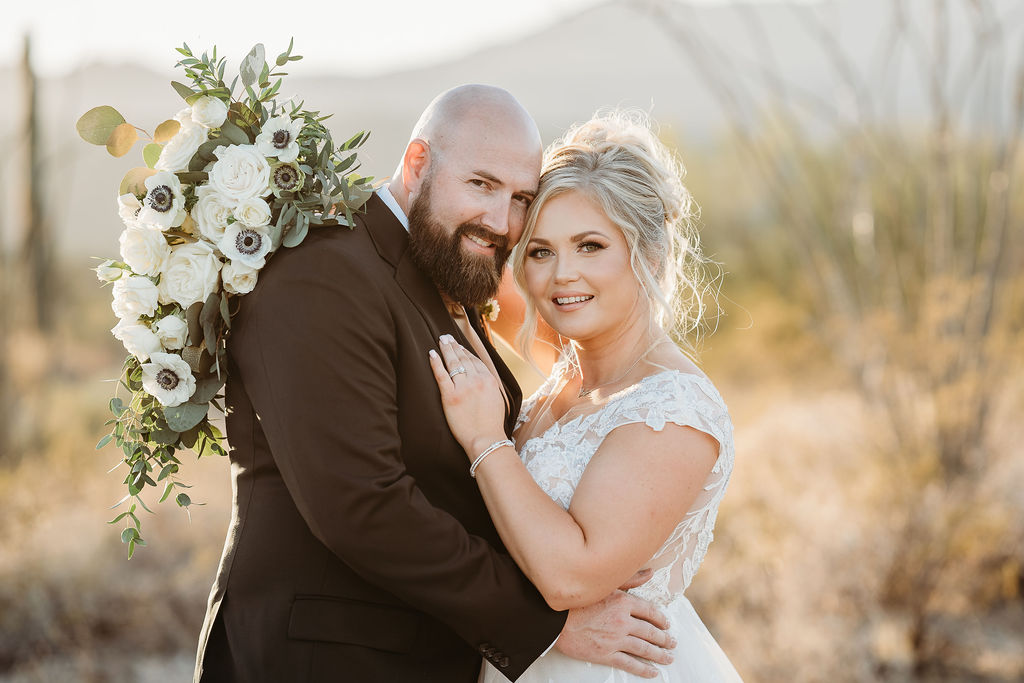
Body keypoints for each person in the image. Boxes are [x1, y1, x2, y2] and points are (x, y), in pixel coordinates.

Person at [193, 86, 675, 682]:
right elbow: (362, 506)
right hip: (324, 657)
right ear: (418, 164)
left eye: (521, 198)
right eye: (481, 184)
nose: (502, 222)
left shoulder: (436, 263)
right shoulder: (326, 269)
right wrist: (544, 621)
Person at [429, 111, 744, 681]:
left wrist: (483, 437)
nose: (561, 276)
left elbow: (570, 576)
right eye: (542, 251)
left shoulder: (673, 412)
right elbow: (474, 264)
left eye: (590, 245)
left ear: (648, 254)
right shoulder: (570, 362)